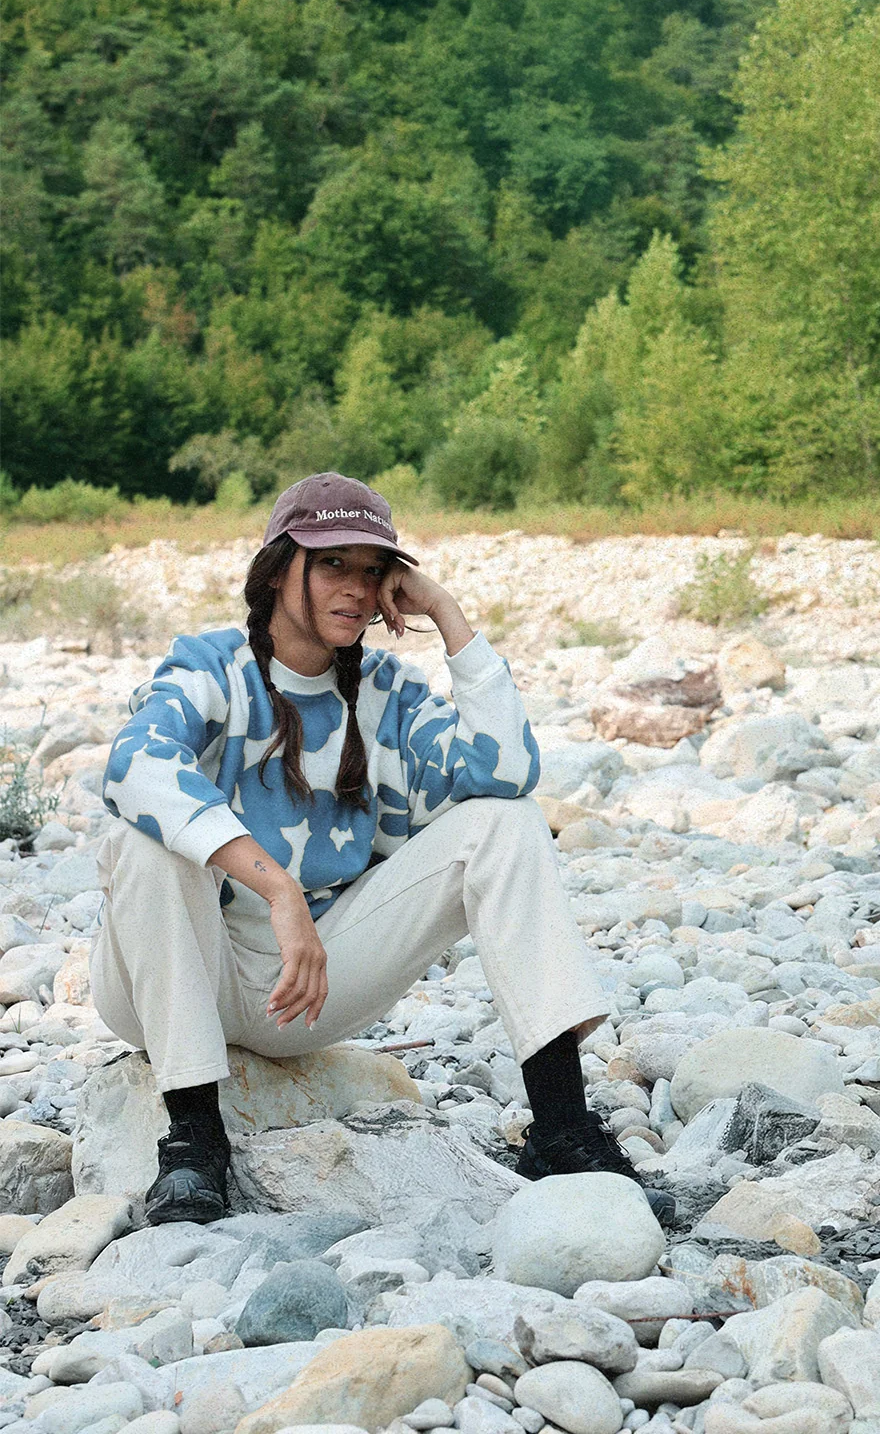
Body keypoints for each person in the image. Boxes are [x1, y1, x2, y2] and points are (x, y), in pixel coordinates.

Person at [95, 472, 670, 1226]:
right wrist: (279, 890)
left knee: (508, 822)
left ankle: (561, 1128)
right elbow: (133, 766)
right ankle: (196, 1144)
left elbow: (505, 771)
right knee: (143, 840)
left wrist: (445, 611)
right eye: (333, 564)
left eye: (374, 570)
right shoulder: (212, 667)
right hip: (170, 973)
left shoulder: (386, 694)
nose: (357, 589)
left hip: (306, 988)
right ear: (279, 570)